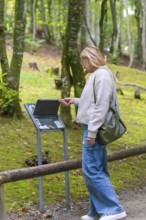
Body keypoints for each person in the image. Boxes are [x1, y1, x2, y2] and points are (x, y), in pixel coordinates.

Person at [60, 46, 127, 220]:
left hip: (94, 129)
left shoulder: (102, 75)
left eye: (84, 61)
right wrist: (75, 101)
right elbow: (92, 101)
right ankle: (97, 210)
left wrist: (91, 133)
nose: (83, 65)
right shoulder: (98, 75)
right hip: (92, 127)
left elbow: (101, 106)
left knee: (91, 170)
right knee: (98, 168)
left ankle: (113, 209)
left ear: (91, 59)